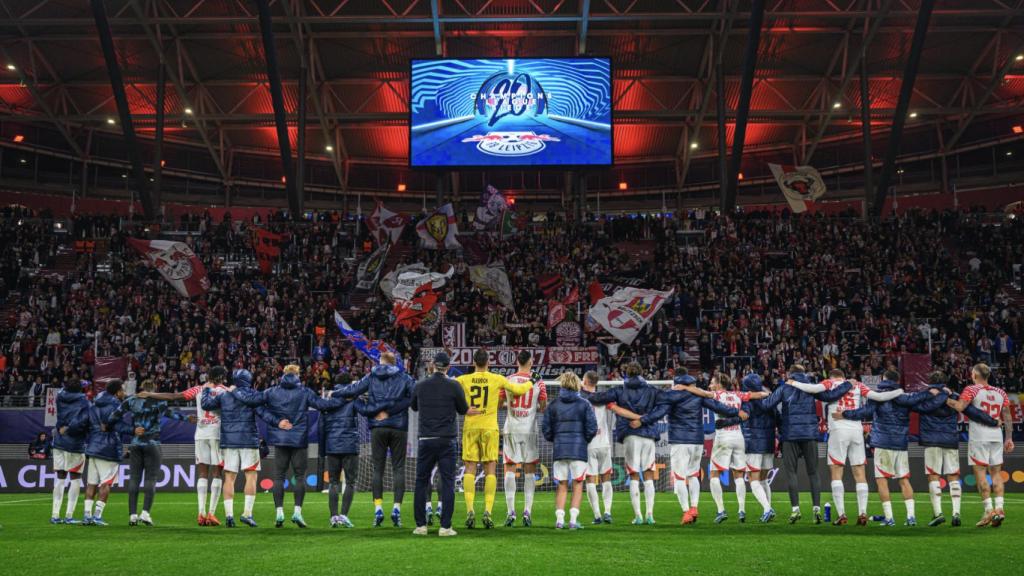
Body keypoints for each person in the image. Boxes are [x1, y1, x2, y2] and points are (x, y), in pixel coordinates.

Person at [784, 368, 902, 525]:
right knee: (860, 473)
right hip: (856, 430)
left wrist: (793, 382)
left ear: (833, 376)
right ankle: (862, 513)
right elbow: (879, 397)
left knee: (836, 472)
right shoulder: (858, 385)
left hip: (838, 430)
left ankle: (842, 514)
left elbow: (812, 389)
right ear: (844, 376)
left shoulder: (830, 383)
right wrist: (899, 391)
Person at [833, 370, 932, 526]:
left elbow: (865, 412)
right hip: (900, 443)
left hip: (883, 442)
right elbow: (921, 400)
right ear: (897, 380)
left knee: (882, 481)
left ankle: (889, 518)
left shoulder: (877, 395)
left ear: (884, 379)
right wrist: (933, 391)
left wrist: (845, 414)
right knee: (904, 480)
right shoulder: (904, 397)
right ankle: (911, 517)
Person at [141, 366, 230, 526]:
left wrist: (150, 394)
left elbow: (174, 396)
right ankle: (211, 513)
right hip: (217, 433)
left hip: (201, 434)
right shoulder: (225, 391)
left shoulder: (198, 389)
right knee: (217, 473)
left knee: (203, 473)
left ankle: (201, 513)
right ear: (221, 377)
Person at [760, 364, 850, 523]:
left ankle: (795, 510)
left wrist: (763, 396)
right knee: (813, 472)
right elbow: (831, 396)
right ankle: (816, 509)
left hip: (790, 435)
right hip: (809, 435)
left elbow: (767, 405)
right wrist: (849, 384)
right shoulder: (812, 387)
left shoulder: (784, 388)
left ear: (790, 374)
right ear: (803, 374)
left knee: (791, 473)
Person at [652, 372, 744, 524]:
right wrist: (736, 412)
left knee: (679, 477)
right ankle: (694, 507)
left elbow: (658, 410)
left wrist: (643, 420)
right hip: (697, 441)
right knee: (693, 475)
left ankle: (686, 511)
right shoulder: (698, 396)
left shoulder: (671, 396)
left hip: (680, 441)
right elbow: (719, 407)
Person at [455, 349, 532, 529]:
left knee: (470, 468)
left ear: (474, 362)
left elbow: (448, 391)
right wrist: (533, 381)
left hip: (471, 428)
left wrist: (463, 408)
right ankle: (488, 512)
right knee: (490, 469)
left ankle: (470, 510)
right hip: (490, 428)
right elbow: (519, 390)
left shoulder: (463, 380)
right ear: (488, 362)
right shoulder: (496, 378)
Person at [338, 352, 415, 528]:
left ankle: (378, 509)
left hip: (377, 427)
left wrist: (336, 393)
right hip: (398, 427)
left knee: (377, 469)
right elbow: (414, 396)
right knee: (399, 468)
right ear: (394, 362)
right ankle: (396, 509)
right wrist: (392, 411)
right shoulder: (404, 377)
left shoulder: (372, 376)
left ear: (381, 362)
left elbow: (353, 390)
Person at [912, 370, 997, 527]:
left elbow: (916, 407)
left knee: (933, 476)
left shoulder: (926, 395)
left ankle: (938, 513)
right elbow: (974, 412)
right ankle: (956, 513)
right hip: (950, 439)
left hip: (931, 440)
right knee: (953, 476)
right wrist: (993, 421)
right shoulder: (955, 396)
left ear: (930, 380)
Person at [260, 364, 339, 528]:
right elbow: (323, 405)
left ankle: (279, 513)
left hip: (280, 439)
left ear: (283, 374)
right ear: (297, 375)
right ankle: (297, 512)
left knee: (279, 476)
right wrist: (341, 398)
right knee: (300, 476)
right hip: (299, 439)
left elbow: (258, 408)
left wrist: (277, 421)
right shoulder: (305, 391)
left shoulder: (271, 391)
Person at [201, 368, 280, 528]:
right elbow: (264, 414)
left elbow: (206, 405)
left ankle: (229, 515)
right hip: (248, 440)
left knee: (229, 477)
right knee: (251, 476)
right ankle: (247, 513)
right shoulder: (250, 396)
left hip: (229, 441)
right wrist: (278, 422)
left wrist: (207, 389)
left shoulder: (224, 396)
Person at [112, 378, 195, 526]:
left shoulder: (131, 401)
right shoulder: (160, 402)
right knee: (150, 479)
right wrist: (188, 419)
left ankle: (132, 515)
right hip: (153, 443)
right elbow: (173, 415)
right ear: (155, 390)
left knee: (134, 479)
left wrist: (131, 430)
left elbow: (113, 419)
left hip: (136, 443)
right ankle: (145, 513)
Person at [587, 362, 662, 525]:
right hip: (649, 433)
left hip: (630, 434)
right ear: (642, 372)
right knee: (649, 473)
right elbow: (663, 406)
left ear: (626, 373)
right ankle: (650, 514)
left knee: (634, 474)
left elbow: (597, 398)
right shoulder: (652, 391)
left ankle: (638, 516)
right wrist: (645, 420)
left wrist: (582, 389)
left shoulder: (619, 390)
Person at [945, 362, 1015, 527]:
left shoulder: (971, 389)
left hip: (979, 437)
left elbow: (960, 407)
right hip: (996, 436)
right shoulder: (1001, 392)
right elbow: (1007, 416)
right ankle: (999, 509)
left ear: (974, 375)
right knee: (996, 474)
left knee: (981, 475)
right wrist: (1009, 438)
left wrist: (945, 398)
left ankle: (988, 510)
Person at [411, 352, 469, 537]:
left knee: (421, 481)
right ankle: (445, 527)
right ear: (448, 366)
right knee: (448, 482)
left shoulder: (420, 385)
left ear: (433, 365)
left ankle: (421, 526)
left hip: (426, 439)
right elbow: (463, 409)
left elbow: (413, 406)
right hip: (447, 439)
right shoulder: (454, 385)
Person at [705, 374, 768, 524]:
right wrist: (765, 393)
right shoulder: (738, 394)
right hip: (738, 437)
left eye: (712, 382)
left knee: (714, 474)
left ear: (719, 384)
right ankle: (741, 510)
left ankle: (721, 510)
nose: (710, 385)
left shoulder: (717, 394)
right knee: (739, 475)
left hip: (723, 438)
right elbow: (760, 394)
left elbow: (703, 394)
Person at [542, 371, 598, 530]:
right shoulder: (585, 404)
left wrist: (556, 439)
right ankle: (573, 520)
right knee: (578, 484)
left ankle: (559, 520)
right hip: (578, 450)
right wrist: (583, 440)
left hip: (560, 449)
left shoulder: (553, 404)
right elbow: (592, 428)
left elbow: (546, 428)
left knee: (561, 484)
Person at [500, 350, 547, 527]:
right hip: (530, 430)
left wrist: (510, 405)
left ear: (517, 362)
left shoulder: (508, 380)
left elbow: (499, 404)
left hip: (511, 428)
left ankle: (510, 511)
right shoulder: (539, 382)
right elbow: (543, 406)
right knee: (529, 470)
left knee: (509, 468)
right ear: (530, 362)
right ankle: (527, 511)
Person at [320, 377, 374, 528]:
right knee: (350, 482)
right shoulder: (352, 399)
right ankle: (343, 515)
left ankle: (333, 517)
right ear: (350, 384)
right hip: (349, 445)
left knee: (333, 482)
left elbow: (322, 422)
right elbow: (366, 411)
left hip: (332, 445)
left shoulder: (330, 399)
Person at [82, 379, 130, 526]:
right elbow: (117, 425)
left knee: (91, 484)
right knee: (106, 484)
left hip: (93, 447)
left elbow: (88, 422)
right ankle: (97, 516)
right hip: (108, 449)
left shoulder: (94, 403)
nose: (124, 392)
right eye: (122, 390)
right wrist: (134, 430)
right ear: (117, 392)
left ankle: (87, 516)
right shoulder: (115, 405)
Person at [50, 379, 90, 524]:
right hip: (75, 443)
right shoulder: (84, 401)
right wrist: (70, 429)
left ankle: (55, 515)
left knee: (60, 478)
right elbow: (83, 420)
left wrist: (62, 427)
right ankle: (68, 516)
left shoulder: (60, 396)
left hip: (59, 441)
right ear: (80, 389)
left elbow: (64, 388)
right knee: (76, 478)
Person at [580, 370, 616, 524]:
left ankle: (597, 515)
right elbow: (617, 409)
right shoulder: (604, 398)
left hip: (588, 444)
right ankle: (607, 512)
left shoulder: (580, 398)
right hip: (604, 443)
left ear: (586, 381)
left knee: (590, 479)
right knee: (606, 477)